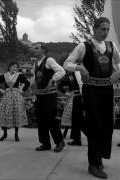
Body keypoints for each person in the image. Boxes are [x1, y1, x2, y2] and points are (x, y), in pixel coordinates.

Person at [64, 17, 120, 179]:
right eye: (103, 29)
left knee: (107, 126)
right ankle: (93, 164)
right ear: (94, 29)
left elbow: (119, 62)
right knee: (94, 125)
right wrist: (79, 67)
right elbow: (67, 63)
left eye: (107, 29)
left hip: (107, 89)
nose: (105, 32)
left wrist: (117, 72)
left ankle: (99, 157)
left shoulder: (111, 46)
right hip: (91, 90)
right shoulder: (84, 46)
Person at [31, 42, 66, 152]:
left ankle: (59, 142)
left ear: (43, 50)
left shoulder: (49, 60)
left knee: (51, 119)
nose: (34, 50)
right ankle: (45, 143)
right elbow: (35, 78)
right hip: (40, 95)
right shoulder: (35, 63)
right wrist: (32, 87)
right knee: (40, 119)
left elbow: (61, 71)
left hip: (50, 95)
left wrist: (53, 79)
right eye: (33, 48)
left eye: (36, 48)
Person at [0, 61, 30, 142]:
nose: (15, 68)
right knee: (5, 114)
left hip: (16, 96)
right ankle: (5, 134)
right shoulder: (4, 75)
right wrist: (1, 90)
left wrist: (22, 90)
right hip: (7, 96)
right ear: (9, 67)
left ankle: (16, 134)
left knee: (16, 113)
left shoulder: (19, 75)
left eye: (16, 67)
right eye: (13, 66)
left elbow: (27, 83)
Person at [67, 71, 85, 146]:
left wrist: (83, 97)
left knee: (79, 119)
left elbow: (81, 85)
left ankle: (93, 137)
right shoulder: (72, 73)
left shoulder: (77, 71)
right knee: (75, 119)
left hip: (79, 98)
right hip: (76, 97)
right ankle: (76, 139)